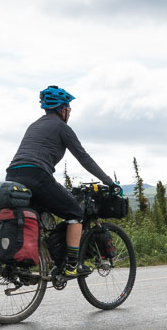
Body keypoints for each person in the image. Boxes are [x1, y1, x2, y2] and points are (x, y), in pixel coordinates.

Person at [6, 85, 121, 277]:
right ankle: (71, 265)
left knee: (34, 219)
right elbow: (84, 157)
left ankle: (28, 264)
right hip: (37, 176)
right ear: (63, 109)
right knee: (76, 214)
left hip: (12, 176)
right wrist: (109, 181)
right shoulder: (62, 127)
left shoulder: (34, 125)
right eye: (69, 109)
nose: (70, 113)